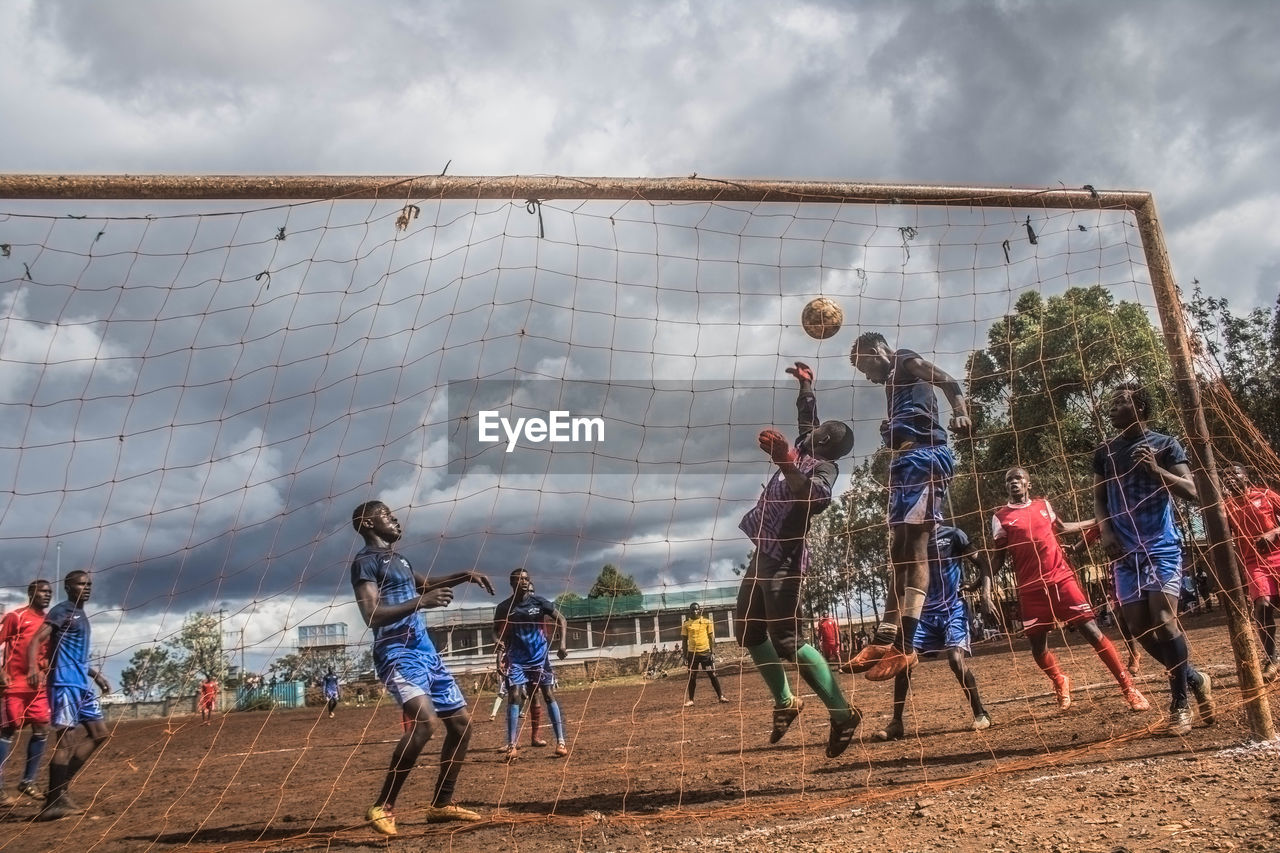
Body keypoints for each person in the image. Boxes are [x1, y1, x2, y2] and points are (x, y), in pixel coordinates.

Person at [736, 361, 861, 758]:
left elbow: (817, 498)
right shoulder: (807, 443)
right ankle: (786, 702)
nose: (815, 430)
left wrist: (786, 462)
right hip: (763, 551)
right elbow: (806, 413)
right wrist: (806, 385)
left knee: (787, 641)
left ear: (828, 442)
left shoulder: (823, 466)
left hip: (786, 560)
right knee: (747, 633)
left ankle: (843, 714)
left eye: (823, 431)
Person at [350, 500, 494, 835]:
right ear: (368, 524)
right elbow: (371, 615)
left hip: (426, 651)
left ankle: (441, 806)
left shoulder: (398, 558)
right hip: (397, 653)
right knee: (425, 723)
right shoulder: (365, 563)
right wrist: (421, 602)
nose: (395, 518)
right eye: (386, 515)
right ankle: (382, 806)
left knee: (461, 726)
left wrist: (464, 575)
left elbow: (424, 585)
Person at [844, 332, 971, 682]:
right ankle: (885, 638)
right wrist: (894, 432)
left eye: (863, 366)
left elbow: (947, 380)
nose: (866, 375)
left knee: (915, 546)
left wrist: (960, 414)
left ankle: (906, 644)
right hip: (905, 460)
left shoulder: (904, 359)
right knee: (898, 549)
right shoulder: (892, 385)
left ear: (875, 351)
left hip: (926, 458)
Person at [1093, 383, 1212, 736]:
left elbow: (1191, 491)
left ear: (1140, 407)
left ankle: (1180, 706)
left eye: (1120, 402)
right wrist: (1106, 532)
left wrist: (1156, 470)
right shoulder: (1105, 452)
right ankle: (1194, 677)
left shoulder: (1165, 444)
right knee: (1137, 628)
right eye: (1111, 403)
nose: (1112, 408)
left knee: (1163, 619)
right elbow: (1099, 499)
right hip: (1124, 552)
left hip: (1160, 545)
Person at [986, 467, 1150, 714]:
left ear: (1028, 484)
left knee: (1092, 632)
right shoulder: (1001, 517)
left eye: (1018, 478)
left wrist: (1097, 521)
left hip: (1061, 579)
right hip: (1031, 589)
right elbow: (997, 560)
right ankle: (1059, 679)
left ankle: (1129, 688)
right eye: (1009, 480)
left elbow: (1062, 527)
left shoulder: (1043, 505)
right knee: (1038, 647)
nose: (1014, 483)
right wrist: (984, 586)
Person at [872, 525, 992, 741]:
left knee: (956, 660)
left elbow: (982, 562)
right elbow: (900, 581)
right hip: (923, 615)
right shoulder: (911, 542)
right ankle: (896, 722)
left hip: (952, 610)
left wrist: (983, 592)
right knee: (903, 659)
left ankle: (980, 713)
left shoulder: (954, 534)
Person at [26, 571, 111, 820]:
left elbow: (75, 654)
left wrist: (95, 675)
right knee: (65, 742)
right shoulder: (61, 611)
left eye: (89, 584)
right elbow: (35, 640)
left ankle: (59, 790)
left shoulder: (82, 615)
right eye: (80, 584)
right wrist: (32, 668)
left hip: (81, 685)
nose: (86, 588)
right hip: (64, 685)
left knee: (99, 734)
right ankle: (53, 802)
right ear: (67, 587)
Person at [492, 568, 570, 759]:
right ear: (512, 583)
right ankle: (512, 745)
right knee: (515, 695)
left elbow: (561, 619)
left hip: (539, 657)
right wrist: (497, 643)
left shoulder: (540, 602)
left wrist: (562, 644)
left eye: (526, 579)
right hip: (517, 658)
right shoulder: (504, 607)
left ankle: (560, 741)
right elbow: (495, 631)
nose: (524, 582)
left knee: (548, 694)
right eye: (520, 580)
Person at [1221, 463, 1280, 680]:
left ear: (1245, 476)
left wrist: (1274, 532)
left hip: (1279, 554)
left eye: (1233, 474)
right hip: (1253, 562)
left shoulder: (1265, 494)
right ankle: (1272, 659)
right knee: (1262, 606)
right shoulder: (1226, 507)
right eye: (1225, 476)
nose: (1229, 478)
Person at [0, 579, 53, 804]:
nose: (47, 595)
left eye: (49, 592)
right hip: (14, 684)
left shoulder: (51, 620)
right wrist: (1, 671)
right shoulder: (16, 616)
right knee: (8, 730)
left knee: (42, 727)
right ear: (31, 593)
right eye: (42, 591)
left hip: (38, 686)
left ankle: (28, 781)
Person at [680, 603, 728, 706]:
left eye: (696, 609)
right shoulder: (686, 624)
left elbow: (711, 638)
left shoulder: (707, 622)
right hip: (692, 655)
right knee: (692, 677)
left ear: (700, 610)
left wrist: (712, 652)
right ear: (690, 611)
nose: (695, 611)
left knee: (712, 675)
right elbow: (684, 641)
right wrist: (685, 656)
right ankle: (691, 700)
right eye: (692, 610)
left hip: (706, 653)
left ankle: (721, 696)